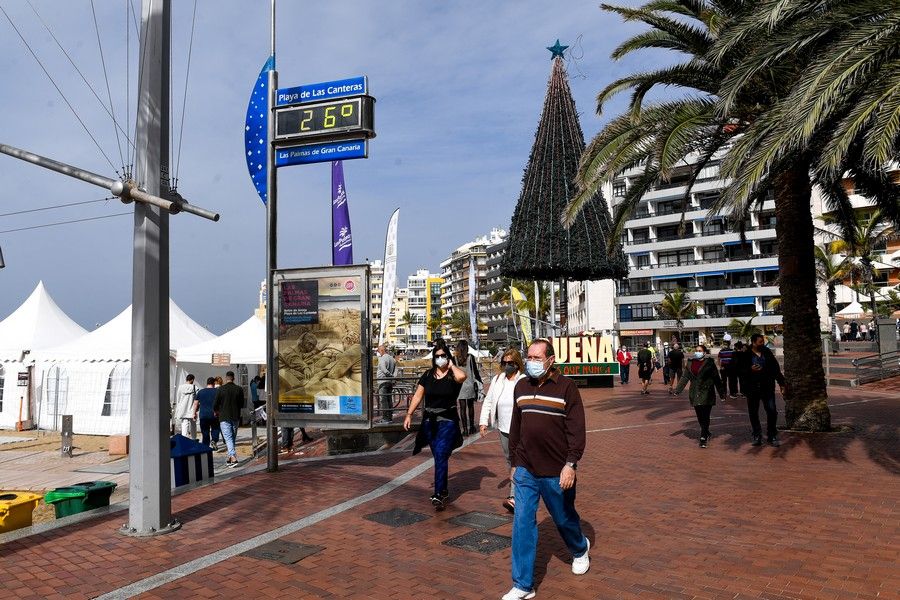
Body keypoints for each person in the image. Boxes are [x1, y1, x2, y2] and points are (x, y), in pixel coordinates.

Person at [503, 339, 589, 600]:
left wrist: (570, 464)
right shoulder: (521, 386)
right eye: (529, 357)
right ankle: (523, 585)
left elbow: (577, 431)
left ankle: (579, 548)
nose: (531, 362)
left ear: (551, 360)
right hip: (527, 468)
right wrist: (515, 464)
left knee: (563, 518)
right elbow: (516, 429)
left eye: (537, 358)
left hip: (557, 469)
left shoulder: (566, 388)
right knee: (522, 523)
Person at [403, 340, 467, 510]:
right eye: (437, 356)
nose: (440, 359)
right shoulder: (427, 375)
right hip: (430, 422)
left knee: (440, 454)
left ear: (448, 356)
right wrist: (409, 414)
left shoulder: (454, 375)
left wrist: (452, 366)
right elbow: (418, 396)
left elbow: (463, 377)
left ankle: (438, 493)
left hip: (448, 421)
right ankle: (444, 488)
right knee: (440, 456)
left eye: (443, 356)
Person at [479, 348, 526, 513]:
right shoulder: (498, 379)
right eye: (504, 363)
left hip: (521, 427)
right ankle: (518, 492)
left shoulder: (524, 380)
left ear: (517, 363)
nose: (507, 366)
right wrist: (483, 421)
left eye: (510, 363)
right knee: (510, 460)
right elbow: (489, 401)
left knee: (517, 460)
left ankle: (514, 496)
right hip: (504, 427)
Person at [674, 344, 725, 448]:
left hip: (707, 393)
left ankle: (703, 437)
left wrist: (721, 393)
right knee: (700, 416)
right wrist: (678, 390)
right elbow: (685, 377)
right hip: (695, 393)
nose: (698, 352)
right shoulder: (690, 363)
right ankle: (706, 431)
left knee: (705, 415)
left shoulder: (710, 363)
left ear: (704, 352)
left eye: (700, 350)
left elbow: (716, 379)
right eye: (696, 350)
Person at [744, 333, 785, 447]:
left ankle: (771, 435)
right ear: (753, 342)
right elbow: (739, 370)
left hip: (767, 387)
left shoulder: (767, 352)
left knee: (772, 411)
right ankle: (757, 435)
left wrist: (782, 383)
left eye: (762, 341)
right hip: (752, 389)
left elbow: (775, 368)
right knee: (753, 413)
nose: (762, 343)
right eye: (760, 342)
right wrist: (750, 369)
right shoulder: (746, 355)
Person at [214, 370, 245, 467]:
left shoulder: (220, 389)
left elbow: (215, 404)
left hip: (224, 416)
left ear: (226, 378)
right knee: (232, 437)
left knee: (228, 437)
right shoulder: (239, 389)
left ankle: (233, 457)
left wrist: (216, 411)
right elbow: (242, 404)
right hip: (235, 416)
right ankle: (230, 457)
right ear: (234, 378)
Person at [454, 340, 482, 436]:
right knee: (470, 407)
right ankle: (472, 427)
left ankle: (465, 429)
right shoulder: (470, 357)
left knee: (462, 408)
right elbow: (475, 371)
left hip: (459, 386)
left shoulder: (455, 358)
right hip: (470, 384)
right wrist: (480, 381)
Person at [375, 344, 397, 424]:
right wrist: (393, 378)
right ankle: (390, 417)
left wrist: (389, 376)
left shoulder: (382, 358)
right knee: (389, 399)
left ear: (381, 350)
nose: (378, 353)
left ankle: (385, 419)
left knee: (383, 400)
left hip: (383, 381)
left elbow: (384, 369)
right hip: (390, 382)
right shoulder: (392, 358)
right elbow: (396, 370)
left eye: (378, 351)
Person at [197, 377, 221, 450]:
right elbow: (220, 403)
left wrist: (194, 413)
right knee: (215, 429)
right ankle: (214, 440)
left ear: (207, 383)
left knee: (205, 431)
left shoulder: (201, 392)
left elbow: (195, 403)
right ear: (214, 383)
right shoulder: (217, 391)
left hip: (203, 415)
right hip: (215, 414)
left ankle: (205, 446)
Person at [173, 374, 199, 440]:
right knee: (193, 424)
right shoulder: (195, 387)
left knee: (184, 424)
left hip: (183, 408)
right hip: (192, 409)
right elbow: (197, 399)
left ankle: (184, 439)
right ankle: (194, 438)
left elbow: (178, 398)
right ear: (192, 379)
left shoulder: (180, 387)